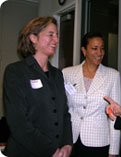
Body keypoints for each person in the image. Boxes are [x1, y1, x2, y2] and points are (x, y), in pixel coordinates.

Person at [3, 16, 73, 157]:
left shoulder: (57, 75)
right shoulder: (16, 72)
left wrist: (67, 144)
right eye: (50, 35)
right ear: (33, 38)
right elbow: (19, 123)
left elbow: (64, 114)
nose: (56, 40)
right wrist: (51, 151)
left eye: (57, 35)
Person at [62, 32, 121, 157]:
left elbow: (115, 116)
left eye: (102, 48)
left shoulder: (113, 75)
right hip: (70, 140)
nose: (100, 53)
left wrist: (114, 151)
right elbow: (62, 109)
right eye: (94, 48)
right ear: (84, 50)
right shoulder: (67, 73)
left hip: (98, 142)